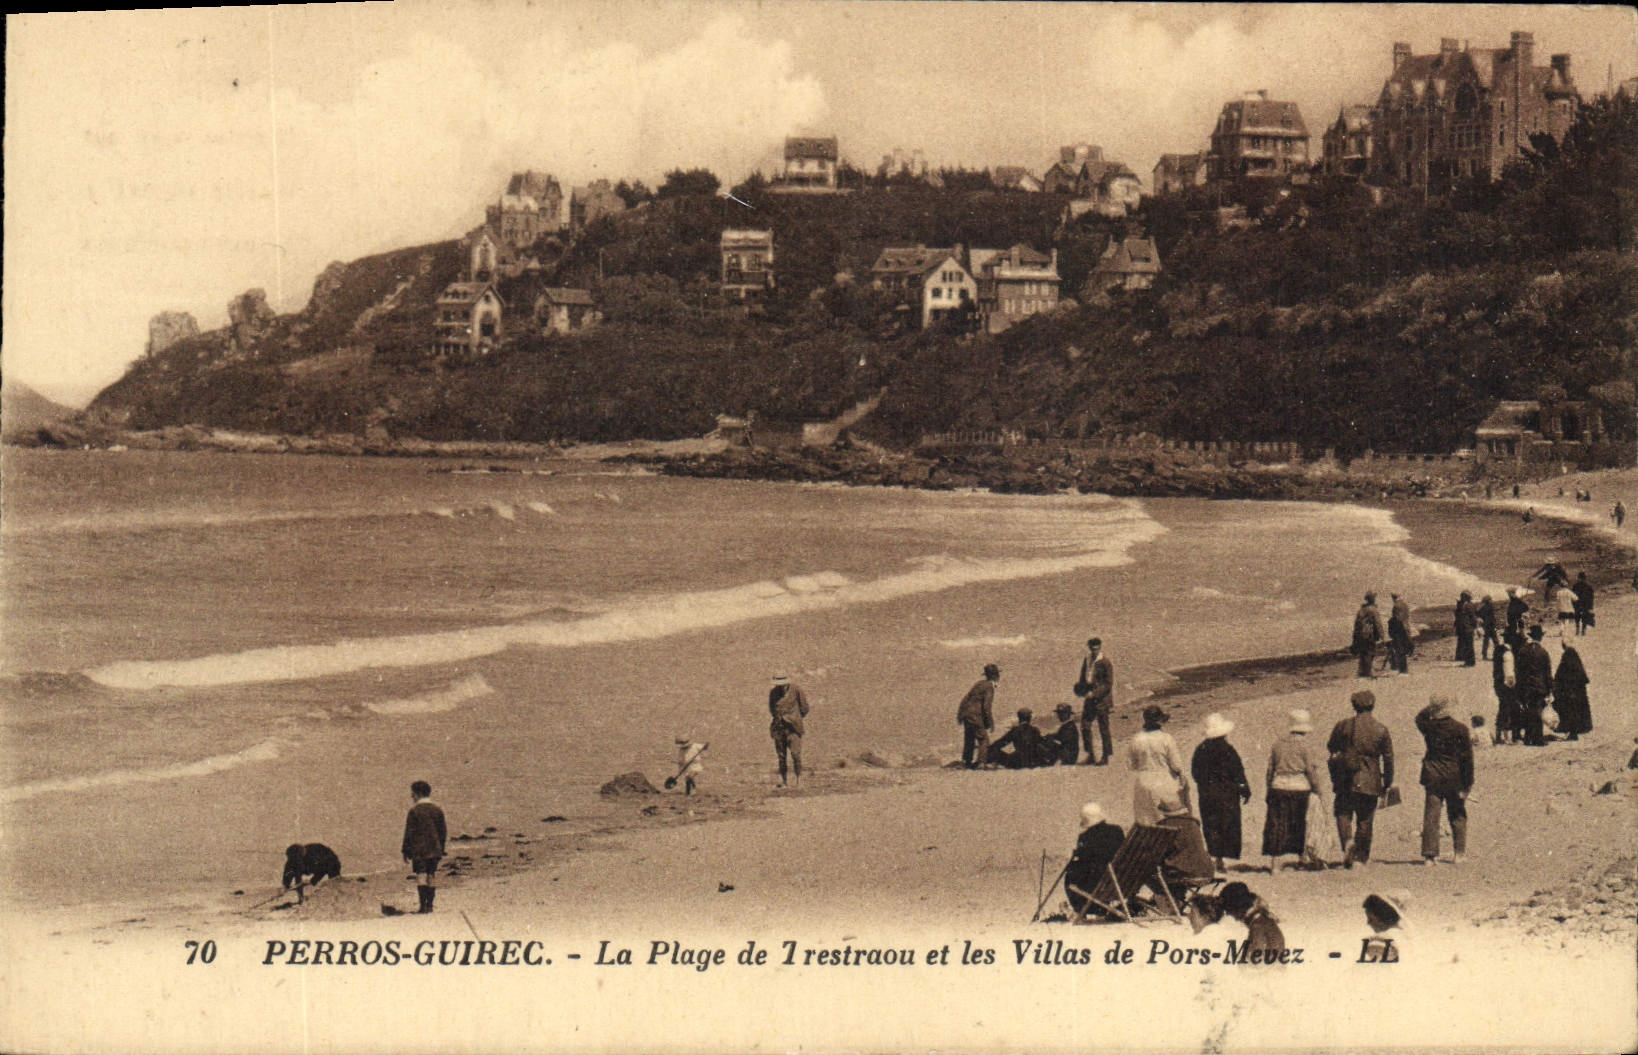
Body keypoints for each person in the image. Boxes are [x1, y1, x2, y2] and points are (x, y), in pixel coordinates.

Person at [1327, 690, 1395, 870]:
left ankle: (1347, 842)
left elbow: (1331, 746)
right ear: (1373, 705)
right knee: (1365, 818)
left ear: (1354, 706)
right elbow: (1388, 758)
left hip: (1346, 776)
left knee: (1342, 812)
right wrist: (1387, 783)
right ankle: (1360, 857)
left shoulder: (1343, 725)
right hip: (1370, 776)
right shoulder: (1381, 729)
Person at [1262, 710, 1328, 873]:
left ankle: (1275, 863)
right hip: (1300, 787)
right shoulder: (1306, 745)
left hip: (1279, 786)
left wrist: (1269, 787)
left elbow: (1270, 769)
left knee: (1277, 825)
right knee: (1300, 824)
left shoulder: (1278, 744)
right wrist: (1318, 789)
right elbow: (1310, 771)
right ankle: (1301, 859)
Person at [1191, 712, 1251, 874]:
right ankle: (1220, 860)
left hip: (1208, 793)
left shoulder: (1200, 749)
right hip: (1227, 793)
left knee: (1211, 825)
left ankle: (1214, 856)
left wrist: (1205, 786)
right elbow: (1237, 771)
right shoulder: (1228, 749)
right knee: (1226, 824)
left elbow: (1195, 773)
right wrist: (1244, 788)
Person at [1415, 696, 1473, 865]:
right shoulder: (1460, 729)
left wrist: (1430, 706)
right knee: (1457, 814)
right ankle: (1459, 853)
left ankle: (1429, 856)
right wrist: (1468, 782)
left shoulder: (1429, 727)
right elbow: (1467, 759)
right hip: (1454, 776)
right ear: (1448, 708)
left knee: (1431, 815)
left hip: (1432, 775)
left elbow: (1419, 718)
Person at [1129, 704, 1188, 825]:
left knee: (1146, 821)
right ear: (1160, 722)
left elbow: (1132, 765)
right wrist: (1180, 775)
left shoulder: (1136, 739)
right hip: (1163, 780)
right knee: (1169, 819)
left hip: (1143, 781)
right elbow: (1176, 765)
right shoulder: (1166, 738)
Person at [1064, 802, 1125, 918]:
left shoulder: (1085, 836)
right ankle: (1101, 907)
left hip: (1097, 883)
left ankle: (1086, 909)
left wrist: (1074, 859)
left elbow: (1085, 862)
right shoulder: (1117, 831)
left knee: (1071, 874)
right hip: (1120, 881)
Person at [1153, 792, 1215, 901]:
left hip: (1185, 874)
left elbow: (1158, 854)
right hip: (1206, 872)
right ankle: (1176, 899)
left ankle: (1167, 899)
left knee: (1157, 873)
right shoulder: (1193, 823)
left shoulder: (1165, 825)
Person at [401, 780, 448, 914]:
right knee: (431, 875)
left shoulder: (414, 811)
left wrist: (405, 850)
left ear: (418, 794)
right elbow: (443, 831)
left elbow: (409, 832)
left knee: (421, 875)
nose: (412, 797)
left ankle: (423, 907)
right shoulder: (437, 810)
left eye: (413, 794)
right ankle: (430, 905)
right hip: (435, 848)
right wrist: (442, 848)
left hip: (420, 849)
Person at [1074, 638, 1115, 765]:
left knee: (1103, 728)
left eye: (1096, 648)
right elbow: (1082, 678)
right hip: (1090, 697)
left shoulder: (1105, 662)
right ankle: (1090, 755)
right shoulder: (1087, 660)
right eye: (1092, 648)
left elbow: (1108, 684)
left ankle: (1105, 757)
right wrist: (1081, 690)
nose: (1094, 650)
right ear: (1089, 647)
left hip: (1102, 699)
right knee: (1085, 726)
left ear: (1100, 647)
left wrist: (1095, 693)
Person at [1219, 882, 1287, 958]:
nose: (1235, 919)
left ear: (1239, 909)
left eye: (1232, 913)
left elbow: (1256, 963)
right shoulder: (1264, 921)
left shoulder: (1258, 927)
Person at [1514, 626, 1554, 747]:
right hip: (1540, 686)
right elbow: (1548, 672)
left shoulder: (1523, 651)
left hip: (1526, 685)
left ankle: (1528, 737)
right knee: (1538, 711)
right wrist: (1550, 689)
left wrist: (1519, 687)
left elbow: (1518, 670)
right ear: (1541, 637)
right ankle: (1538, 738)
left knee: (1528, 710)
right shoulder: (1543, 652)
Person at [768, 674, 810, 787]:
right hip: (779, 727)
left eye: (783, 685)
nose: (781, 687)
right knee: (781, 757)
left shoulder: (796, 690)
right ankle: (784, 781)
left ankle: (798, 780)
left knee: (795, 754)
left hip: (793, 728)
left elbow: (805, 708)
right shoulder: (773, 693)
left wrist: (795, 718)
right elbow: (772, 709)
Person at [956, 664, 999, 770]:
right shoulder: (989, 686)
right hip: (975, 715)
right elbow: (986, 706)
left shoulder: (979, 684)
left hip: (967, 714)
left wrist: (960, 715)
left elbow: (965, 698)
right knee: (984, 739)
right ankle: (981, 763)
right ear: (995, 675)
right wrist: (990, 722)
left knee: (969, 738)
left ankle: (967, 761)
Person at [986, 708, 1052, 769]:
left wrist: (990, 747)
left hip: (1018, 760)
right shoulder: (1034, 730)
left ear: (1019, 718)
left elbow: (1001, 743)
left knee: (994, 751)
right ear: (1029, 718)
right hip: (1033, 760)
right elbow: (1043, 742)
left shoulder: (1015, 730)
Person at [1552, 641, 1592, 740]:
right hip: (1577, 692)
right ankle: (1576, 730)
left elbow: (1559, 676)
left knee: (1569, 711)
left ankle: (1571, 732)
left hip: (1569, 692)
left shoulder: (1566, 657)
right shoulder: (1575, 658)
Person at [1360, 890, 1409, 962]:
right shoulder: (1407, 936)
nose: (1368, 923)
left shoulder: (1383, 940)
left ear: (1382, 917)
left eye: (1370, 919)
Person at [1491, 633, 1519, 744]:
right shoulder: (1508, 654)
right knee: (1509, 709)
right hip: (1507, 685)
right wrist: (1513, 686)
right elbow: (1509, 674)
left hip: (1498, 684)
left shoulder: (1498, 650)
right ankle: (1508, 736)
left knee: (1502, 707)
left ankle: (1498, 733)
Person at [1351, 593, 1386, 678]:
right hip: (1369, 634)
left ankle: (1362, 672)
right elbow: (1378, 624)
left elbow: (1356, 624)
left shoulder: (1361, 610)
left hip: (1360, 634)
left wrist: (1355, 636)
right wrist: (1382, 636)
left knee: (1363, 653)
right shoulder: (1373, 610)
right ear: (1373, 599)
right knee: (1370, 652)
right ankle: (1367, 673)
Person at [1388, 593, 1415, 673]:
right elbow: (1406, 617)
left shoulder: (1396, 606)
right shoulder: (1405, 605)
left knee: (1399, 650)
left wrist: (1392, 630)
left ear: (1393, 598)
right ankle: (1403, 669)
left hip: (1399, 630)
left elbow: (1397, 619)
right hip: (1406, 628)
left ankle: (1402, 670)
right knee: (1403, 648)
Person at [1452, 591, 1477, 667]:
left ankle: (1470, 662)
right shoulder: (1468, 605)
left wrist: (1473, 626)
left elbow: (1471, 617)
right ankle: (1469, 662)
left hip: (1466, 628)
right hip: (1465, 628)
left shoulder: (1468, 605)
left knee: (1468, 645)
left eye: (1462, 596)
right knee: (1468, 645)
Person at [1476, 594, 1499, 660]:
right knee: (1495, 641)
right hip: (1491, 626)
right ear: (1488, 600)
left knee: (1486, 641)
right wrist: (1495, 626)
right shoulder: (1490, 606)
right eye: (1490, 599)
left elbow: (1477, 614)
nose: (1492, 600)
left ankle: (1484, 655)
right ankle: (1497, 655)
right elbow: (1492, 618)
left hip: (1485, 626)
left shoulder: (1481, 607)